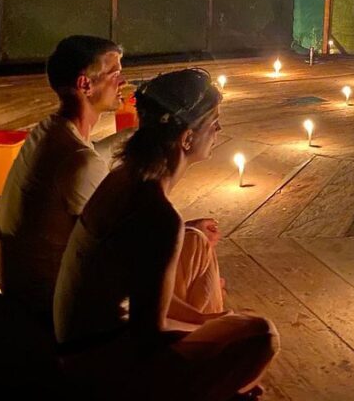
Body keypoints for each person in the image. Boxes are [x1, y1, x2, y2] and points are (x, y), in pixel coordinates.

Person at [54, 68, 278, 400]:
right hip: (99, 361)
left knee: (197, 244)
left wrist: (204, 320)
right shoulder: (156, 214)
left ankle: (219, 374)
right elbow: (148, 336)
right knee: (261, 334)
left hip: (98, 338)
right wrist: (210, 331)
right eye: (213, 122)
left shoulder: (126, 176)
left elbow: (142, 283)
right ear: (187, 138)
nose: (219, 130)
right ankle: (216, 385)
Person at [0, 35, 124, 321]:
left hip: (18, 286)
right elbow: (123, 241)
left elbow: (92, 158)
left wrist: (132, 138)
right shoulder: (77, 160)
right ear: (85, 84)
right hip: (48, 305)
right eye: (115, 74)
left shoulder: (48, 131)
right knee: (189, 246)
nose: (122, 82)